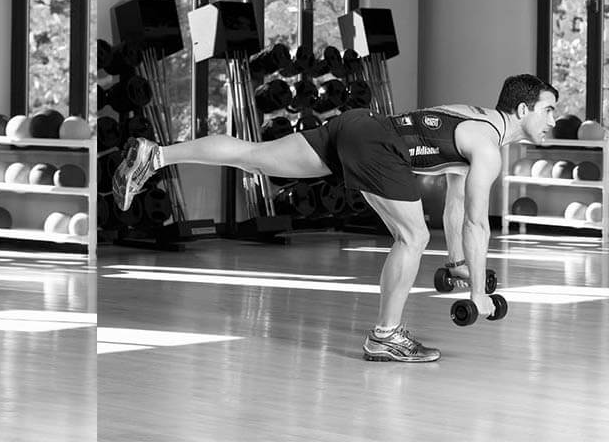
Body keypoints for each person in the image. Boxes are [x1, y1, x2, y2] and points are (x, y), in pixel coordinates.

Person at [114, 74, 558, 362]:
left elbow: (457, 204)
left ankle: (157, 155)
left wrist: (459, 265)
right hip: (379, 148)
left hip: (358, 125)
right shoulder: (488, 148)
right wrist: (478, 294)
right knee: (413, 238)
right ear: (523, 110)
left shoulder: (472, 117)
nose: (553, 120)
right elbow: (478, 223)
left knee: (254, 156)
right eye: (548, 110)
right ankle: (385, 336)